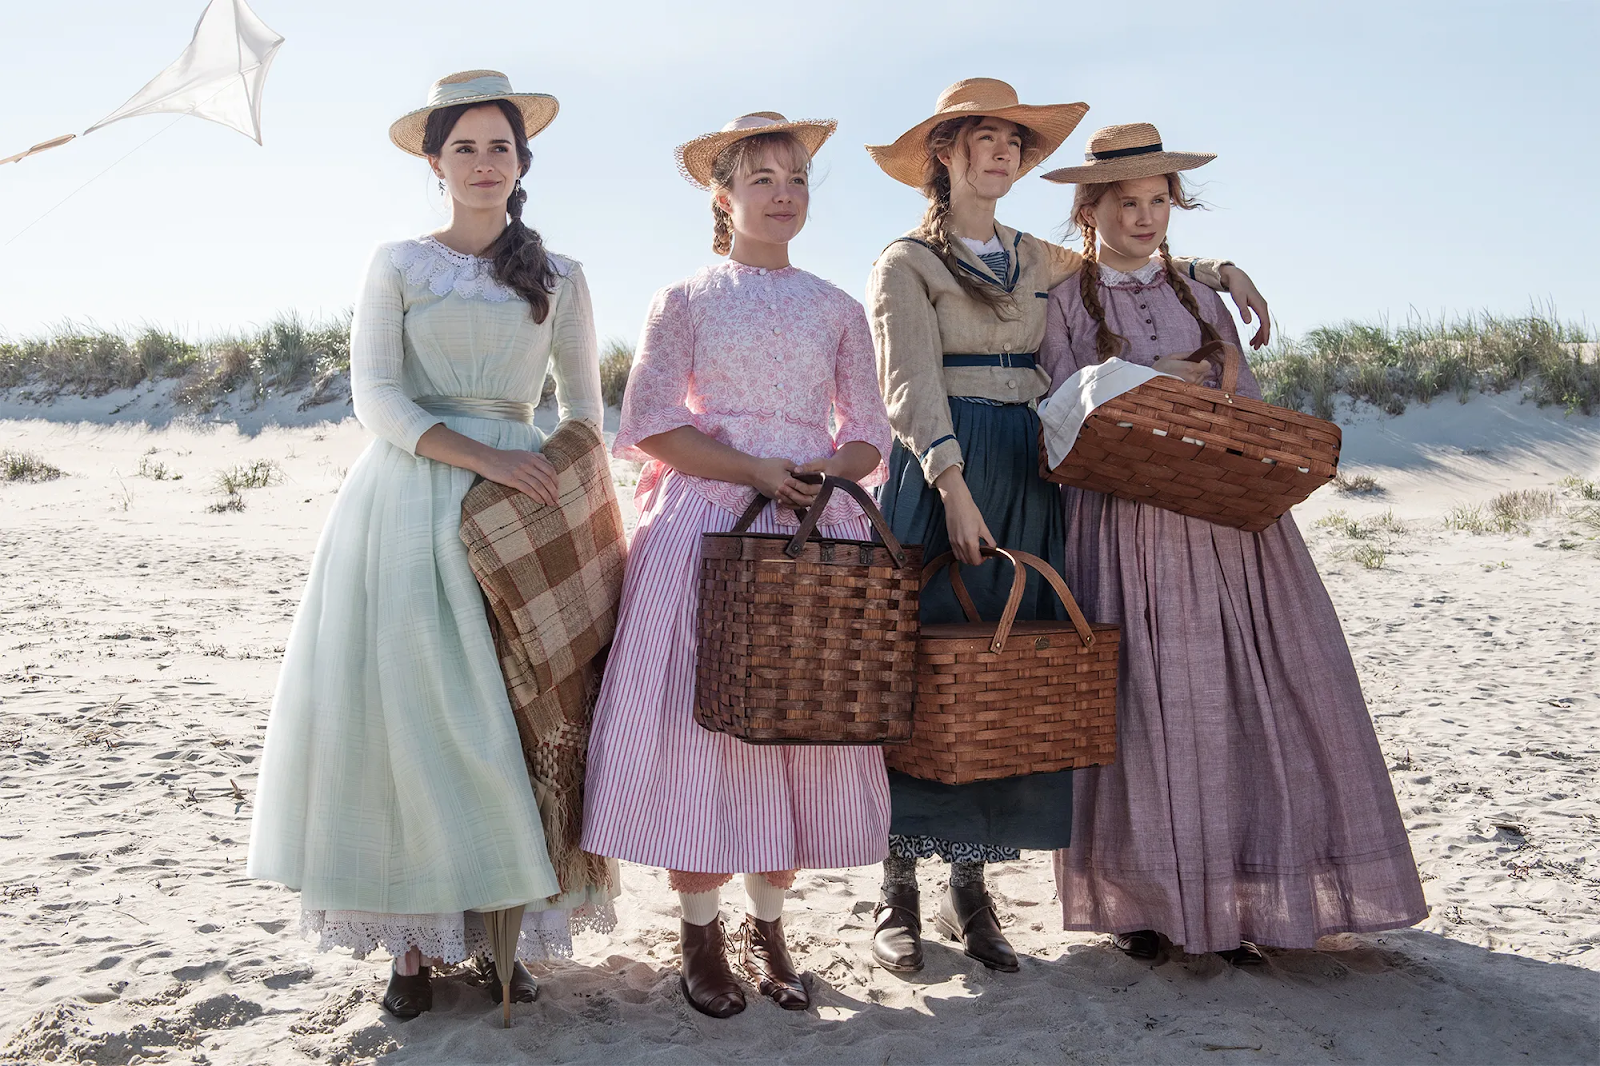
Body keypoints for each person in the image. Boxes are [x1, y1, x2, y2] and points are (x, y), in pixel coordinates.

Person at [863, 79, 1271, 975]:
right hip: (948, 465)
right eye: (981, 138)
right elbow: (907, 387)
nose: (1001, 151)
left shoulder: (1032, 255)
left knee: (1007, 669)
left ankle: (970, 891)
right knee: (927, 670)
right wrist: (951, 484)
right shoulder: (905, 262)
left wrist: (1217, 271)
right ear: (945, 154)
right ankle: (895, 890)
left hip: (1031, 466)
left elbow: (1124, 260)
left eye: (1013, 139)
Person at [247, 70, 612, 1020]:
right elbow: (377, 398)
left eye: (500, 146)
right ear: (435, 161)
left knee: (512, 721)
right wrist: (478, 457)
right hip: (407, 502)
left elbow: (584, 410)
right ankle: (409, 948)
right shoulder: (399, 263)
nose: (484, 163)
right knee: (408, 723)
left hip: (522, 504)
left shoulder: (561, 276)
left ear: (522, 161)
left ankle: (502, 934)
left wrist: (554, 488)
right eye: (466, 147)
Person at [1038, 122, 1428, 962]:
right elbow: (1061, 404)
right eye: (1128, 202)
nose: (1146, 218)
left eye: (1159, 202)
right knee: (1146, 703)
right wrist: (1149, 386)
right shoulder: (1068, 298)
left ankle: (1247, 898)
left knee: (1253, 693)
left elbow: (1241, 401)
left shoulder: (1202, 296)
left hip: (1225, 521)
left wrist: (1205, 390)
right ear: (1091, 207)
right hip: (1124, 522)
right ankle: (1147, 905)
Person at [580, 113, 894, 1018]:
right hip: (711, 520)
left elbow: (868, 435)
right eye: (761, 179)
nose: (783, 193)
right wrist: (755, 469)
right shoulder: (685, 299)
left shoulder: (835, 305)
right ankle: (699, 928)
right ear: (725, 199)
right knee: (700, 731)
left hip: (810, 528)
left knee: (794, 722)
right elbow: (649, 424)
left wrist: (819, 473)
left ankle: (769, 925)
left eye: (795, 178)